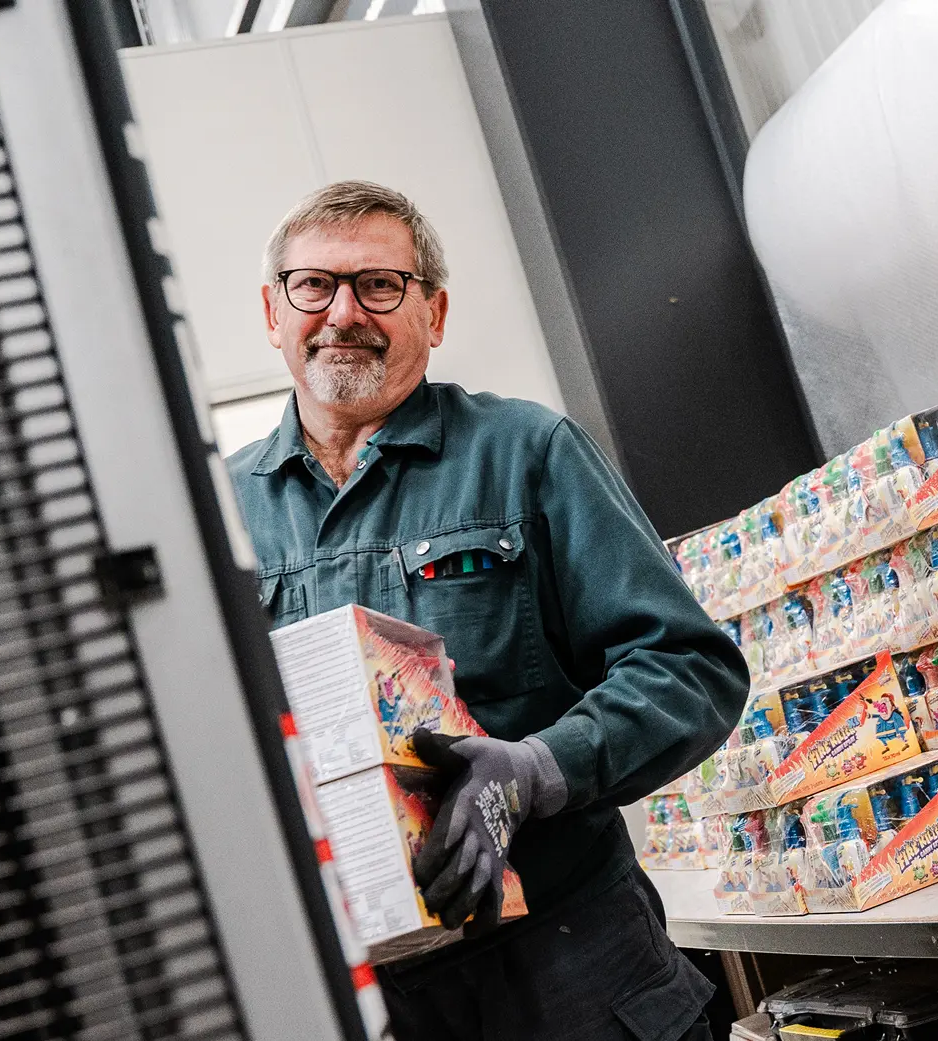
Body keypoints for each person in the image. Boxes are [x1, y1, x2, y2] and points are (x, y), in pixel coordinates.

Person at [225, 180, 745, 1041]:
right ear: (273, 311)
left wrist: (539, 768)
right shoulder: (220, 514)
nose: (345, 311)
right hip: (370, 996)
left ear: (434, 311)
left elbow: (690, 668)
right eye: (314, 285)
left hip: (572, 964)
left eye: (381, 286)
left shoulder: (527, 452)